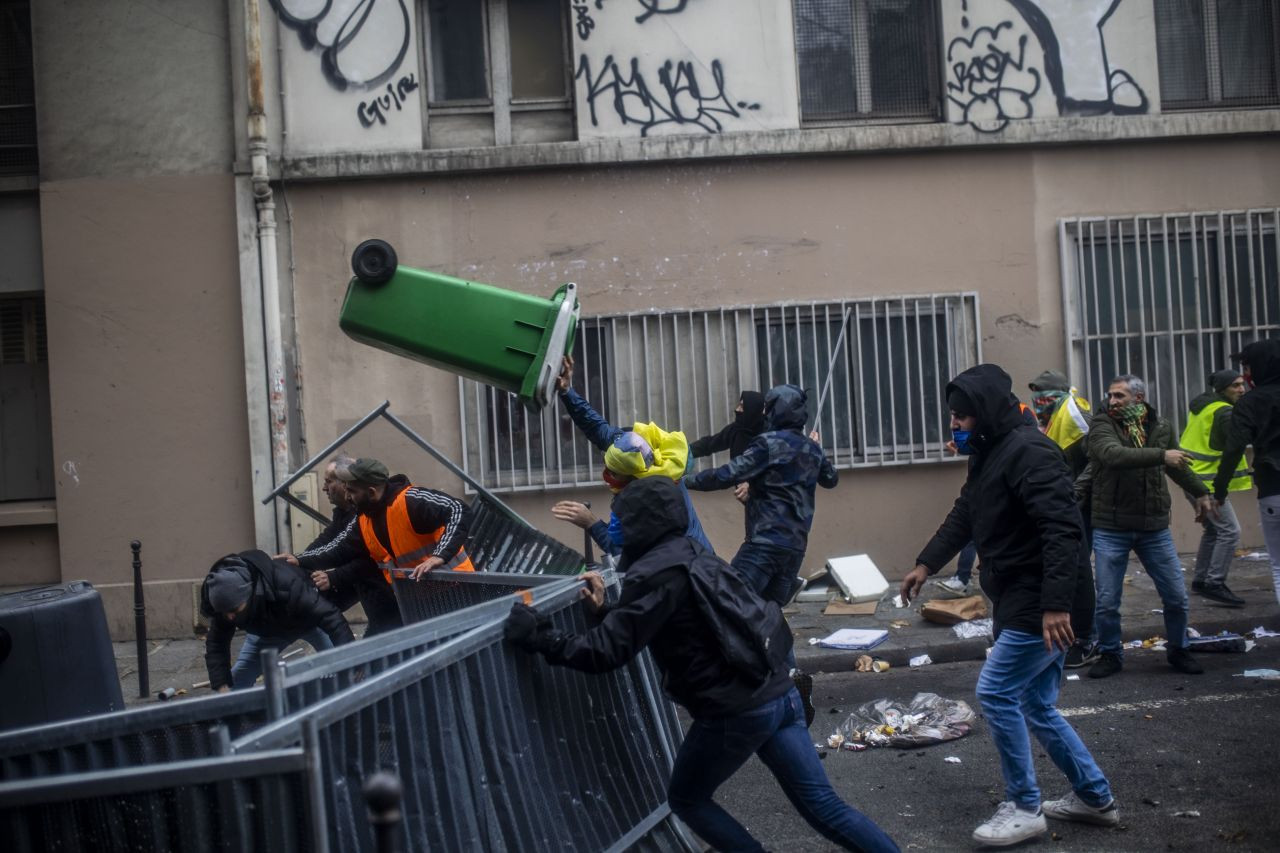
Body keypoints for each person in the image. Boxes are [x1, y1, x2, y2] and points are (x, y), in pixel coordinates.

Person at [506, 477, 899, 853]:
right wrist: (606, 609)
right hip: (780, 694)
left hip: (737, 710)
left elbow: (605, 652)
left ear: (643, 523)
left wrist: (540, 636)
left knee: (687, 799)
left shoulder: (654, 574)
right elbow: (679, 623)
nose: (615, 529)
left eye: (621, 520)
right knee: (825, 809)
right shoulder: (695, 554)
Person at [900, 364, 1116, 849]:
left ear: (988, 413)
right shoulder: (992, 451)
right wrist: (926, 563)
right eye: (953, 416)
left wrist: (1057, 606)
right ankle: (1096, 799)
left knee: (996, 693)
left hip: (1043, 599)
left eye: (963, 416)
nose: (954, 425)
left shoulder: (1030, 452)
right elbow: (966, 511)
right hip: (1022, 593)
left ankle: (1023, 806)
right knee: (1036, 703)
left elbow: (1063, 531)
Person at [1086, 375, 1216, 679]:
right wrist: (1161, 455)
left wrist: (1201, 492)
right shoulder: (1102, 424)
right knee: (1107, 601)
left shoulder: (1161, 426)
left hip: (1153, 527)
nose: (1112, 402)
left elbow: (1178, 465)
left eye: (1119, 396)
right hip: (1111, 526)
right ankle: (1110, 654)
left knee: (1176, 596)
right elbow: (1112, 455)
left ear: (1139, 397)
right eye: (1110, 396)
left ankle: (1178, 649)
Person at [685, 384, 836, 608]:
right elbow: (831, 479)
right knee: (769, 615)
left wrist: (682, 481)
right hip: (795, 549)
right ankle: (776, 645)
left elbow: (726, 475)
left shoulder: (768, 445)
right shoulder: (811, 449)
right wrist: (817, 450)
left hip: (764, 545)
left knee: (730, 602)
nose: (764, 413)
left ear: (778, 410)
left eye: (768, 408)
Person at [549, 356, 714, 558]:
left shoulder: (647, 500)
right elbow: (595, 426)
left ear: (631, 477)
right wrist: (566, 391)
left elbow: (623, 550)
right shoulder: (634, 450)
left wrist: (591, 522)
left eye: (613, 473)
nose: (608, 474)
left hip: (687, 574)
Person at [285, 457, 475, 583]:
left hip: (457, 586)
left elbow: (459, 509)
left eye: (351, 491)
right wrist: (299, 559)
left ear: (371, 492)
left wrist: (439, 556)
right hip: (421, 596)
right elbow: (338, 549)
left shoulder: (411, 500)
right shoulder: (364, 518)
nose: (347, 496)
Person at [201, 550, 355, 691]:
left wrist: (352, 660)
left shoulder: (287, 583)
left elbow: (330, 616)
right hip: (267, 634)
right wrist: (222, 687)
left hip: (310, 623)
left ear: (249, 595)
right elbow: (216, 643)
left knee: (347, 668)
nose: (230, 617)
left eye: (234, 610)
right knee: (236, 683)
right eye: (225, 613)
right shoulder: (224, 601)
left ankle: (353, 709)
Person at [304, 455, 403, 635]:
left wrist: (334, 576)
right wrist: (300, 559)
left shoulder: (365, 513)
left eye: (329, 481)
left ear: (345, 484)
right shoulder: (345, 513)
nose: (324, 488)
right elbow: (329, 543)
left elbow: (368, 557)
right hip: (374, 597)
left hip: (391, 596)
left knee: (387, 644)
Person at [1215, 339, 1280, 605]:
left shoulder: (1250, 402)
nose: (1246, 374)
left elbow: (1233, 450)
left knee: (1278, 564)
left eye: (1248, 366)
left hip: (1273, 491)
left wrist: (1218, 491)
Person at [1180, 369, 1251, 606]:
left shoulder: (1203, 406)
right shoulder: (1224, 412)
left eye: (1242, 384)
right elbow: (1233, 449)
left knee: (1213, 530)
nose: (1241, 389)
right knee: (1230, 531)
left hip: (1190, 478)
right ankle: (1214, 583)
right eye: (1235, 386)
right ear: (1222, 389)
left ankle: (1201, 581)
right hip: (1207, 484)